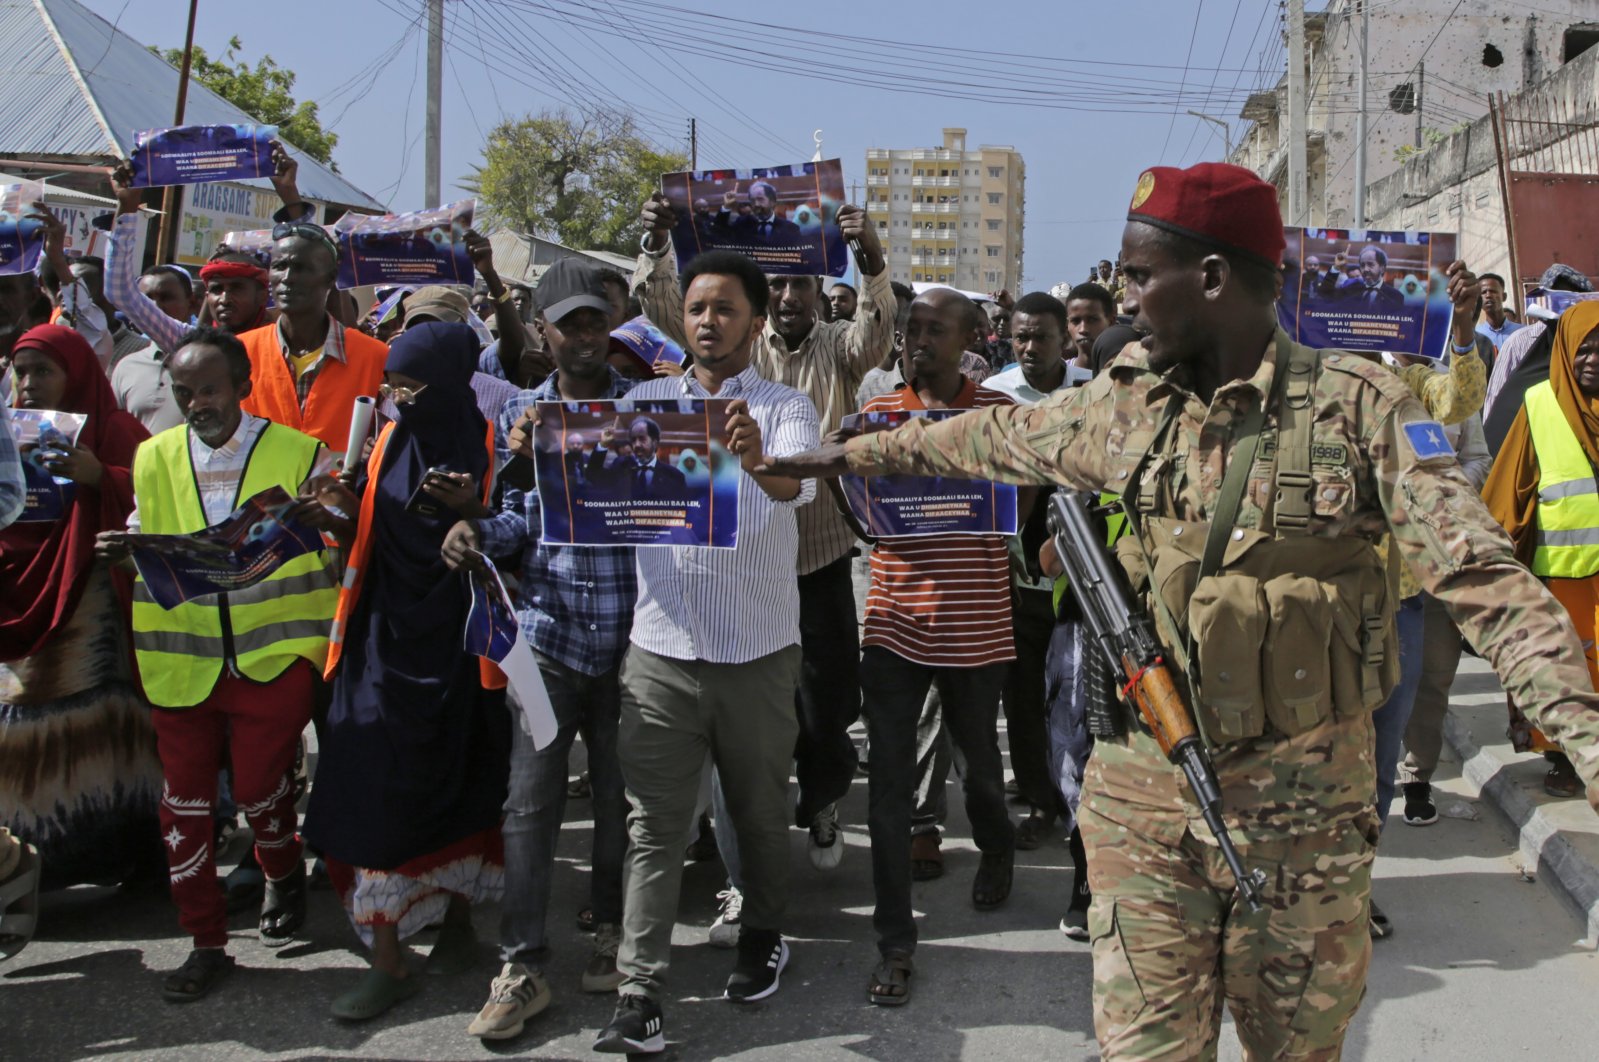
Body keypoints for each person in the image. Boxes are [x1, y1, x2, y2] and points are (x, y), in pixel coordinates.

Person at [759, 161, 1599, 1059]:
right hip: (1143, 804)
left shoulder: (1358, 411)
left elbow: (1486, 583)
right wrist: (847, 456)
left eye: (1135, 276)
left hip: (1302, 820)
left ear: (1209, 279)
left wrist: (1585, 742)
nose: (1123, 296)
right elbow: (988, 437)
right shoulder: (1123, 404)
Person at [594, 250, 819, 1054]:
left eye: (724, 309)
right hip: (658, 650)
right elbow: (592, 486)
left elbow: (798, 486)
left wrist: (756, 460)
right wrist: (542, 443)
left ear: (755, 322)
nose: (707, 322)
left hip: (755, 651)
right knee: (653, 825)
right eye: (696, 308)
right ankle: (638, 991)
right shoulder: (645, 403)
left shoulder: (786, 406)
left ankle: (762, 932)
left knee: (759, 813)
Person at [636, 192, 894, 874]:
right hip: (735, 569)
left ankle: (821, 801)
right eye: (774, 284)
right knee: (737, 711)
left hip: (816, 556)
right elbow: (669, 310)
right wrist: (659, 242)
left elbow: (875, 333)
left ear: (817, 291)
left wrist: (868, 255)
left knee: (825, 703)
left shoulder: (837, 351)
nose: (785, 295)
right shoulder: (726, 344)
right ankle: (730, 837)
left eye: (798, 283)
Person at [94, 327, 341, 1002]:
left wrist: (330, 514)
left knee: (264, 790)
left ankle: (282, 867)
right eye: (182, 392)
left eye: (207, 389)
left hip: (275, 652)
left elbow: (345, 538)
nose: (195, 403)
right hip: (182, 660)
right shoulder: (154, 457)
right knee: (185, 808)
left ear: (241, 386)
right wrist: (124, 546)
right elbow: (146, 530)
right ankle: (205, 942)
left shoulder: (298, 451)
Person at [441, 262, 637, 1041]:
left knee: (625, 803)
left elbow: (677, 518)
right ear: (543, 330)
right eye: (569, 324)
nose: (584, 336)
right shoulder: (522, 417)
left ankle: (613, 934)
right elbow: (519, 521)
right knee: (528, 807)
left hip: (632, 638)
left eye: (595, 322)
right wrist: (474, 532)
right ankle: (521, 965)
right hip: (550, 635)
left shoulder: (650, 408)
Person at [301, 322, 509, 1021]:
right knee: (368, 790)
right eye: (392, 386)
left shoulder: (494, 444)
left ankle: (458, 925)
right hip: (380, 645)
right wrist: (333, 509)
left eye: (413, 387)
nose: (399, 400)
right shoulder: (385, 438)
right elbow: (363, 525)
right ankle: (388, 957)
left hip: (459, 651)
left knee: (461, 786)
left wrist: (472, 512)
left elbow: (519, 536)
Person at [842, 287, 1018, 1007]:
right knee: (888, 792)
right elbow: (846, 485)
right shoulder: (877, 416)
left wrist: (994, 518)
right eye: (910, 329)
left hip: (976, 622)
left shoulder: (995, 417)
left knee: (979, 766)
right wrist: (876, 523)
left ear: (970, 337)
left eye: (932, 330)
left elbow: (1026, 489)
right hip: (893, 624)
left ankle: (995, 847)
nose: (916, 340)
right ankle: (894, 941)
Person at [0, 325, 158, 890]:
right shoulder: (6, 433)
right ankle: (29, 860)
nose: (29, 383)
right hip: (18, 591)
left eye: (43, 371)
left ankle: (109, 850)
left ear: (76, 374)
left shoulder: (115, 429)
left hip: (89, 600)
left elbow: (161, 492)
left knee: (100, 728)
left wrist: (98, 477)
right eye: (21, 372)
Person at [1481, 301, 1599, 799]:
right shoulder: (1539, 405)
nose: (1592, 359)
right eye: (1583, 348)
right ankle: (1563, 758)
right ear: (1565, 350)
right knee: (1565, 674)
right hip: (1561, 580)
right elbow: (1507, 494)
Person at [1398, 409, 1492, 825]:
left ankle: (1417, 776)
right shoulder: (1357, 365)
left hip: (1441, 556)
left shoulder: (1451, 389)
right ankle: (1367, 780)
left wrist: (1440, 495)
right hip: (1378, 562)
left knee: (1432, 674)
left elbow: (1478, 457)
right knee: (1374, 678)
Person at [236, 222, 388, 451]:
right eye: (279, 266)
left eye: (301, 268)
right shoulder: (240, 352)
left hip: (341, 486)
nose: (287, 278)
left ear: (330, 278)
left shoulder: (375, 358)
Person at [1318, 243, 1405, 309]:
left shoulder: (1395, 296)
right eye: (1362, 265)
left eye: (1370, 264)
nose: (1365, 269)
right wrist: (1336, 267)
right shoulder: (1352, 289)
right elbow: (1325, 294)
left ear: (1382, 268)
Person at [715, 180, 801, 244]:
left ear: (772, 201)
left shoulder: (790, 228)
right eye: (752, 200)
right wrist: (726, 207)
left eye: (760, 199)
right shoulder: (742, 223)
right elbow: (718, 232)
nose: (756, 204)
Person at [1477, 272, 1523, 350]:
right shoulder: (1475, 336)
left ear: (1504, 296)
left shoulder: (1522, 332)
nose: (1488, 295)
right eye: (1483, 292)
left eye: (1493, 291)